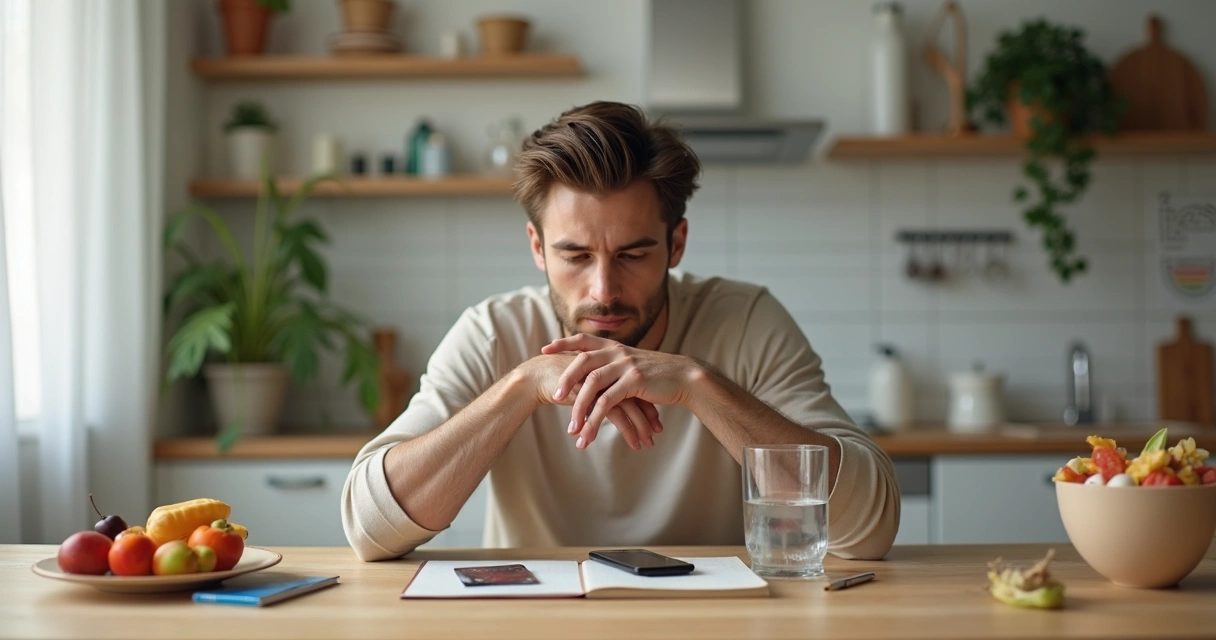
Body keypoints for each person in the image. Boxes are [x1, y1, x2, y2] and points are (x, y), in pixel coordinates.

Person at [341, 101, 899, 561]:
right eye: (575, 255)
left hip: (713, 619)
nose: (602, 290)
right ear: (537, 248)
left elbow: (867, 529)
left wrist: (696, 384)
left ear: (676, 243)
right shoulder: (493, 331)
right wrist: (524, 385)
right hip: (538, 620)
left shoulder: (747, 320)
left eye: (633, 253)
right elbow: (369, 529)